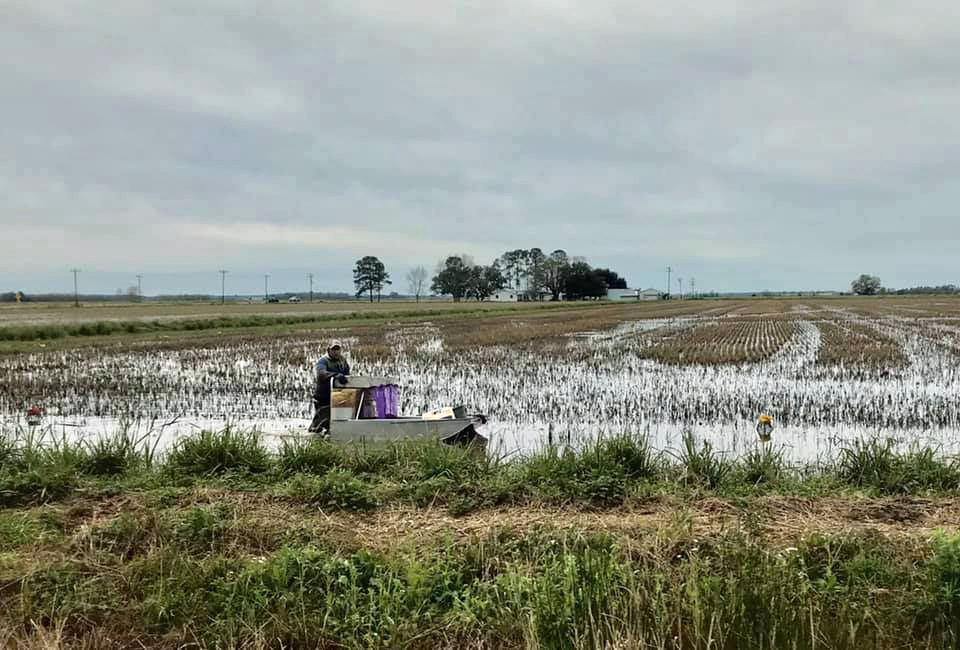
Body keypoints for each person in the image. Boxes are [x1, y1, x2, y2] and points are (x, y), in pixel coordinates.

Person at [308, 341, 351, 433]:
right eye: (333, 349)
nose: (336, 352)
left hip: (336, 395)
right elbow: (321, 374)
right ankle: (313, 440)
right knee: (318, 425)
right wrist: (335, 375)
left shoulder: (343, 361)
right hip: (323, 397)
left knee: (331, 424)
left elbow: (347, 375)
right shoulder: (323, 361)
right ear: (328, 350)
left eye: (337, 349)